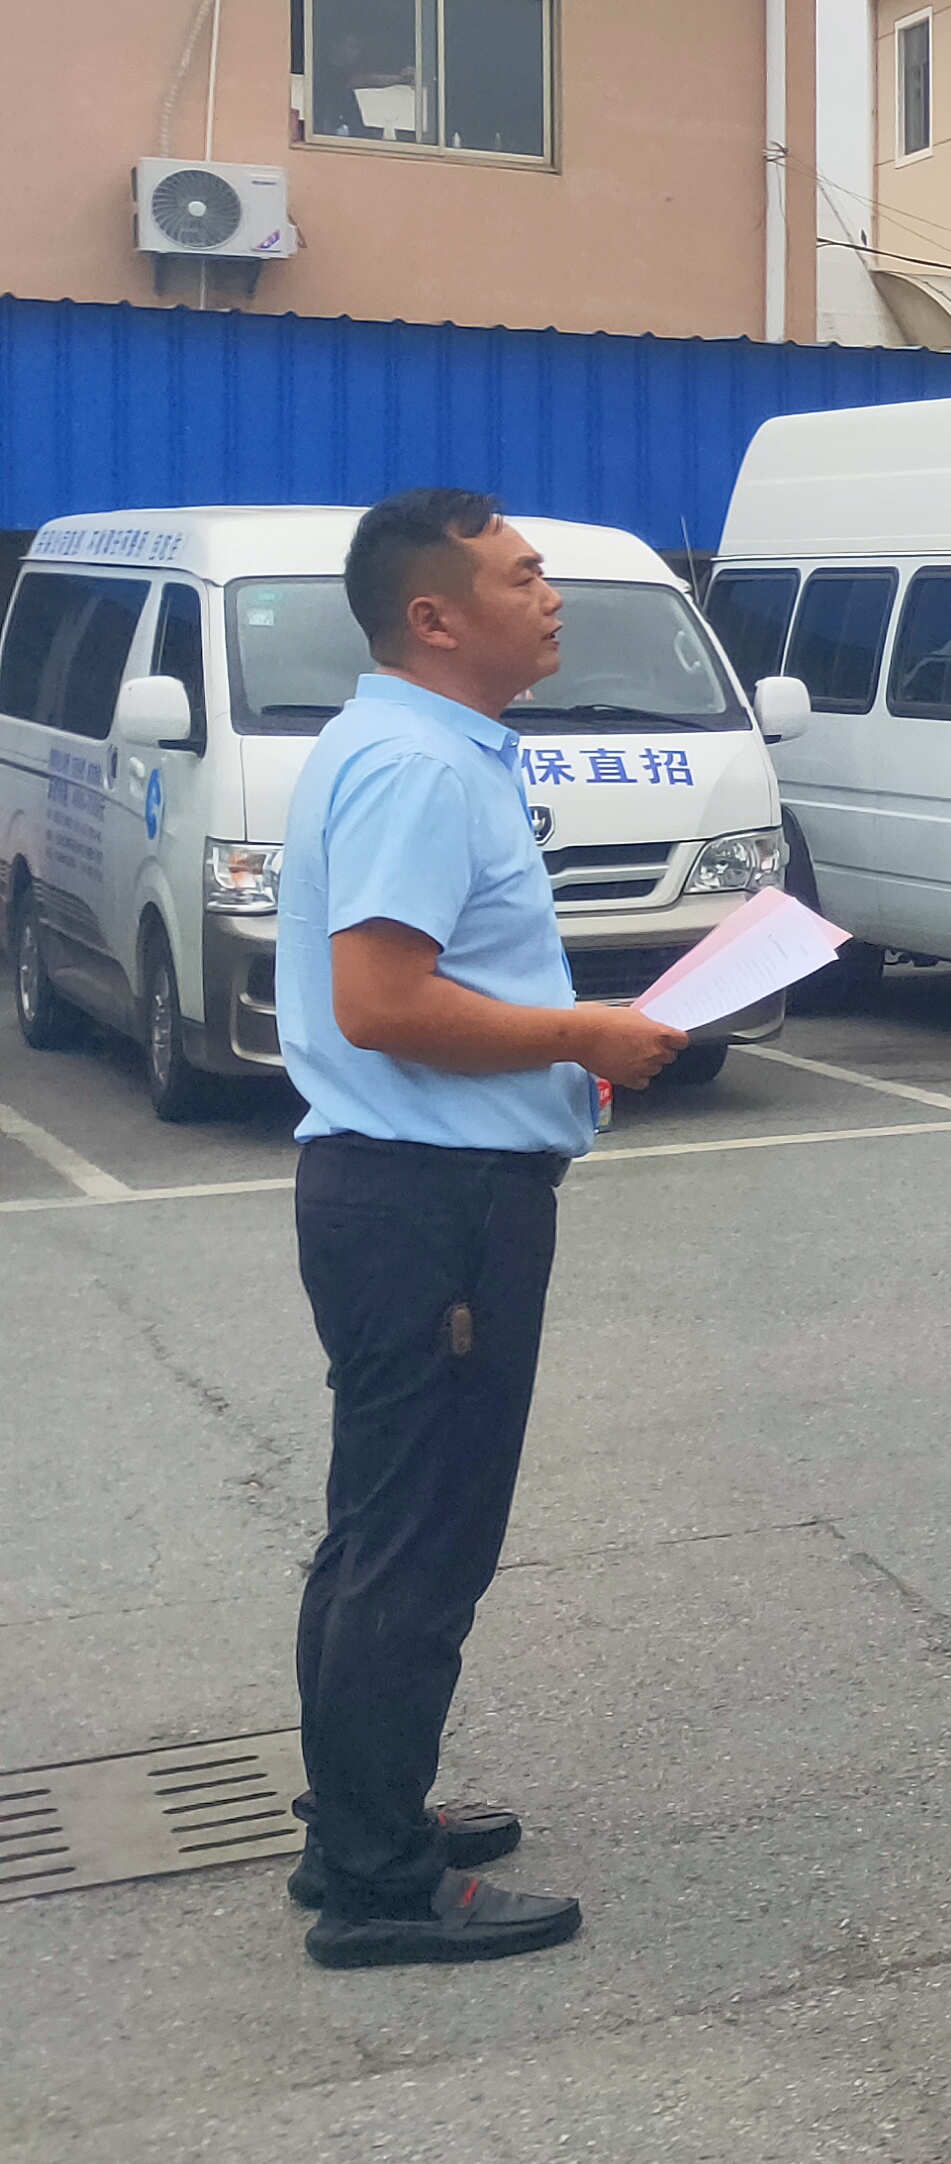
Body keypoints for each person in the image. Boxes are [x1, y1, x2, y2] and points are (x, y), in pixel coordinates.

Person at [280, 489, 684, 1966]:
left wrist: (561, 1055)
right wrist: (585, 1029)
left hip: (417, 1189)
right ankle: (377, 1883)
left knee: (386, 1527)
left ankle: (362, 1816)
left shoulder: (423, 746)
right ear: (435, 616)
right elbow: (382, 1004)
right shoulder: (415, 765)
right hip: (430, 1202)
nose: (550, 596)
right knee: (419, 1545)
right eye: (521, 578)